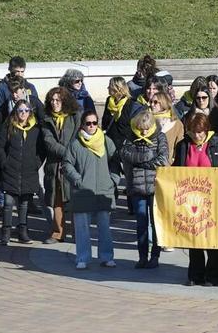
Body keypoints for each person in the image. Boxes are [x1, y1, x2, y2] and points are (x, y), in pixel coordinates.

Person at [173, 113, 218, 285]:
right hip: (190, 199)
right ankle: (195, 275)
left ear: (206, 130)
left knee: (212, 238)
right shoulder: (183, 145)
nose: (197, 135)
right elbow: (176, 169)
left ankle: (213, 276)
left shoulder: (217, 143)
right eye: (194, 132)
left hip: (212, 198)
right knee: (193, 237)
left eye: (200, 132)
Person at [63, 110, 117, 270]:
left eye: (94, 123)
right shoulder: (75, 144)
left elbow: (115, 161)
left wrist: (113, 180)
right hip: (82, 192)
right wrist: (77, 180)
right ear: (83, 125)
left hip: (103, 190)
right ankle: (83, 258)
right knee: (82, 228)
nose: (92, 126)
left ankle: (107, 257)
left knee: (104, 227)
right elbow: (67, 164)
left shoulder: (106, 141)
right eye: (88, 123)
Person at [120, 109, 169, 268]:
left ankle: (155, 256)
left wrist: (140, 163)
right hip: (137, 187)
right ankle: (142, 256)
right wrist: (148, 157)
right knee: (141, 223)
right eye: (141, 129)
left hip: (155, 187)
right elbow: (125, 154)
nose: (144, 132)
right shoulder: (131, 138)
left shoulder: (160, 137)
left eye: (147, 128)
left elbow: (163, 159)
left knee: (156, 224)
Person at [0, 100, 43, 245]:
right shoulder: (9, 126)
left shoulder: (36, 129)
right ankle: (6, 232)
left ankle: (23, 231)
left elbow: (42, 150)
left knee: (24, 204)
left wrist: (36, 163)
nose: (23, 113)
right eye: (20, 110)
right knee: (8, 203)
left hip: (29, 171)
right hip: (11, 170)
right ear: (16, 112)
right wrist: (4, 162)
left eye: (26, 110)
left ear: (30, 112)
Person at [40, 86, 81, 243]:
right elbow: (48, 142)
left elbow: (79, 136)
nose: (54, 103)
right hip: (54, 165)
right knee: (57, 200)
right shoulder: (47, 119)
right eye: (52, 100)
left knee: (75, 200)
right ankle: (58, 233)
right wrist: (67, 153)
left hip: (74, 164)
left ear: (65, 101)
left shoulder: (75, 116)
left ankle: (78, 233)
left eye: (58, 100)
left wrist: (71, 156)